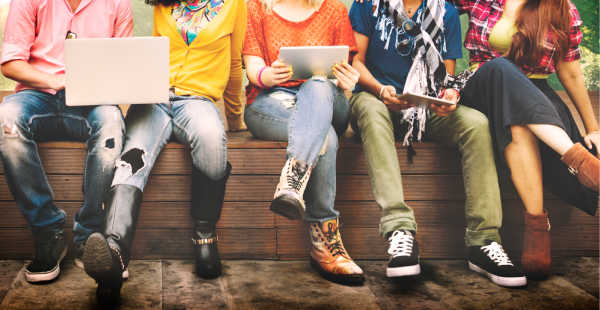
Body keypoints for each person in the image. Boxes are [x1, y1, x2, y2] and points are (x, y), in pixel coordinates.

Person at [349, 0, 526, 287]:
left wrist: (447, 98)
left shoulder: (446, 12)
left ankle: (483, 241)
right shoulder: (366, 5)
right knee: (370, 110)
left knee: (476, 124)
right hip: (376, 98)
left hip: (423, 107)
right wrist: (381, 90)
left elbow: (445, 76)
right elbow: (355, 61)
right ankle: (399, 230)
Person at [80, 0, 246, 303]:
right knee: (131, 161)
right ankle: (114, 254)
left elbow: (235, 62)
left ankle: (205, 234)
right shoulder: (163, 3)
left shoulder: (234, 5)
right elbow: (152, 58)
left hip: (197, 100)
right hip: (154, 100)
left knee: (212, 138)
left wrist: (235, 116)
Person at [447, 0, 599, 278]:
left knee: (518, 122)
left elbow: (572, 72)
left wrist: (593, 128)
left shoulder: (563, 9)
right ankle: (582, 164)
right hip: (482, 86)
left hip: (534, 96)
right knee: (501, 69)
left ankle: (537, 227)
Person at [0, 0, 130, 283]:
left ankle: (90, 235)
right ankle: (48, 232)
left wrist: (95, 83)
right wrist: (55, 81)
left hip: (91, 100)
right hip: (37, 95)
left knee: (111, 124)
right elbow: (10, 64)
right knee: (5, 120)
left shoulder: (118, 3)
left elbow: (125, 65)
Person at [242, 0, 364, 285]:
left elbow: (348, 66)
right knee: (327, 139)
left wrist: (348, 82)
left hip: (330, 102)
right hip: (272, 103)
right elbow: (253, 67)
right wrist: (268, 75)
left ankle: (292, 180)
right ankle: (326, 244)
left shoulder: (334, 10)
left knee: (319, 84)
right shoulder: (257, 7)